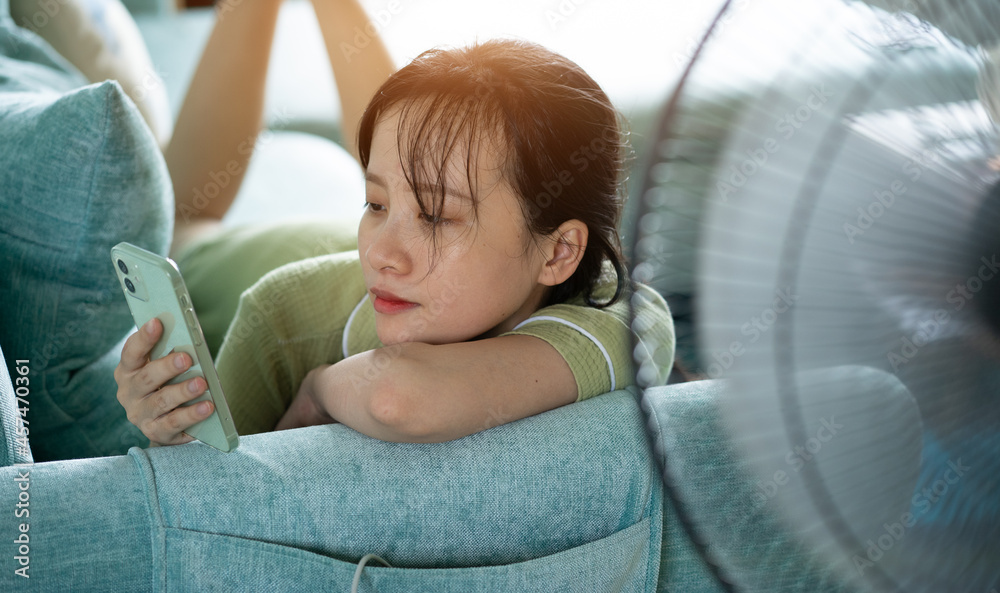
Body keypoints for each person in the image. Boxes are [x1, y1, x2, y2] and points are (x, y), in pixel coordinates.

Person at [114, 0, 675, 446]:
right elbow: (206, 499)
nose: (381, 253)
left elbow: (398, 397)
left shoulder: (626, 320)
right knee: (185, 223)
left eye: (438, 218)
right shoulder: (282, 312)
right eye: (373, 203)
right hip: (247, 253)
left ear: (559, 253)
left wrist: (317, 387)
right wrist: (168, 428)